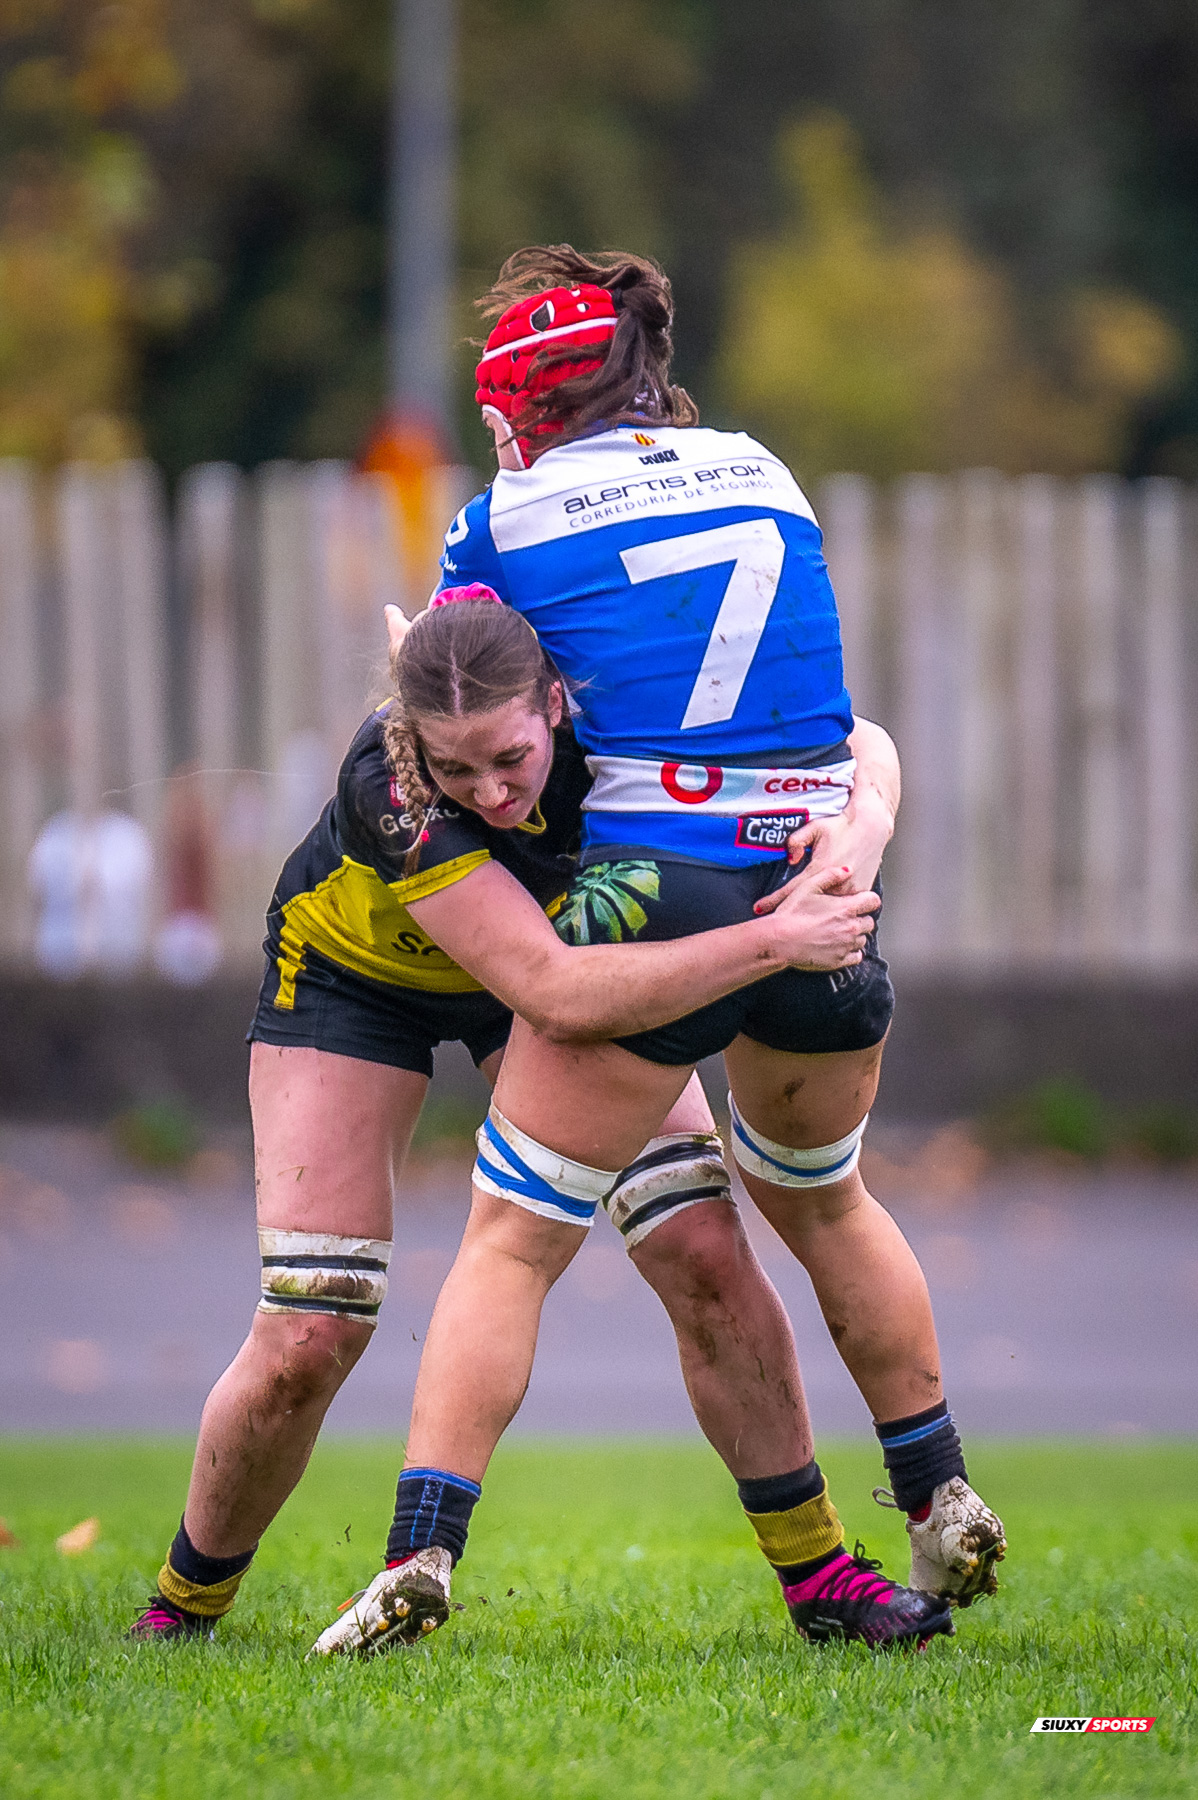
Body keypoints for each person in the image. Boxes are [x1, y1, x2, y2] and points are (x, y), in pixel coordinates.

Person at [314, 245, 1005, 1658]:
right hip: (822, 876)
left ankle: (420, 1551)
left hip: (659, 890)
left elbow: (465, 679)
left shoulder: (502, 521)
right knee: (825, 1201)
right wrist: (857, 840)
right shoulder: (761, 469)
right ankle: (938, 1488)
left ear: (522, 413)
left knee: (512, 1241)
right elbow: (833, 718)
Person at [129, 591, 890, 1645]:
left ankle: (823, 1579)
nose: (487, 791)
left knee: (702, 1245)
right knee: (312, 1328)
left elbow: (851, 740)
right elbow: (553, 992)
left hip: (543, 971)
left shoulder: (628, 719)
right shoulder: (390, 777)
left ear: (556, 702)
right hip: (361, 982)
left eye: (509, 758)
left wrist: (867, 821)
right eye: (456, 768)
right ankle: (182, 1609)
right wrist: (774, 944)